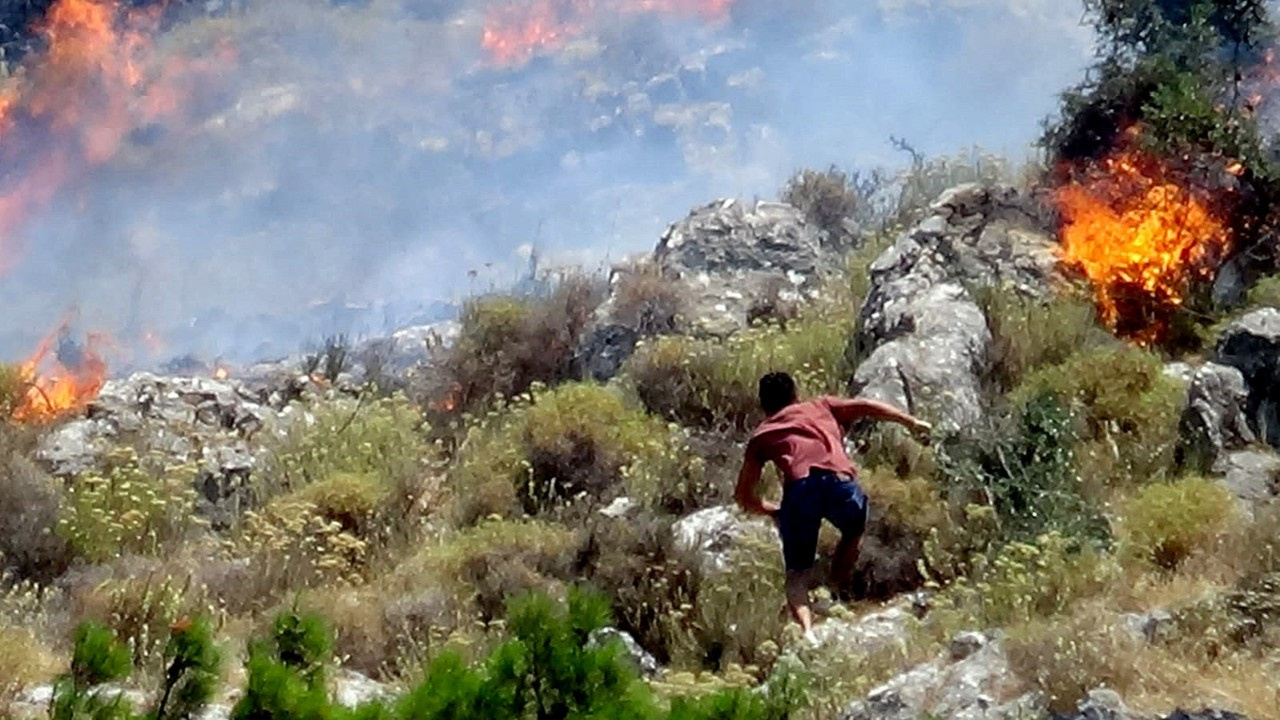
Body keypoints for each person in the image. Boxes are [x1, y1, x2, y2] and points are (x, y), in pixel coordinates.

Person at [734, 372, 932, 642]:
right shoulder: (821, 406)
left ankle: (808, 633)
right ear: (795, 394)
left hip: (800, 488)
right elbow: (865, 406)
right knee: (853, 528)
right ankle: (835, 590)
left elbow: (744, 496)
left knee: (797, 574)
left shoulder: (763, 434)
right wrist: (910, 421)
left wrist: (775, 511)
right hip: (838, 481)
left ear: (763, 404)